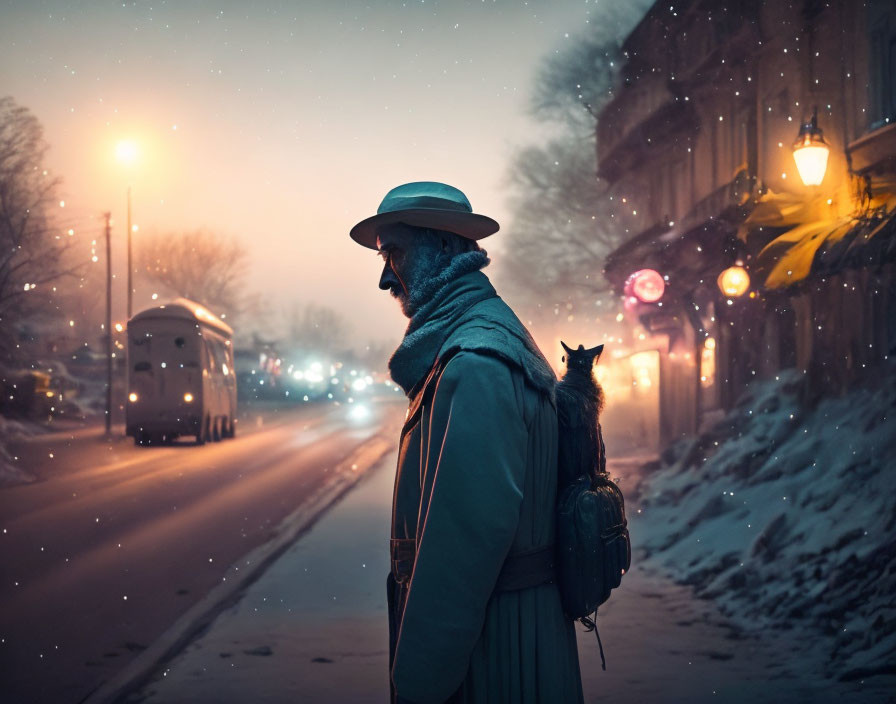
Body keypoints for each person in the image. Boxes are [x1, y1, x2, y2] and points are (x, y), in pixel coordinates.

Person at [350, 181, 584, 704]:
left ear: (448, 250)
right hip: (510, 643)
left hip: (497, 658)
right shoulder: (484, 342)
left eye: (396, 252)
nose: (386, 277)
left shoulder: (475, 364)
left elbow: (462, 555)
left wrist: (418, 683)